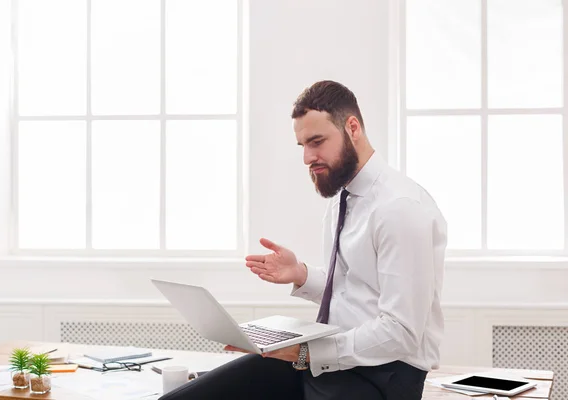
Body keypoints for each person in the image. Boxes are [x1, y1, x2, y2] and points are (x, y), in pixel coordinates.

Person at [160, 80, 447, 400]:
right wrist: (301, 274)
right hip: (331, 360)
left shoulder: (401, 208)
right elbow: (355, 288)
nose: (308, 158)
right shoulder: (343, 199)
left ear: (353, 127)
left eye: (317, 141)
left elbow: (401, 332)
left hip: (382, 376)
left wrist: (307, 353)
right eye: (303, 146)